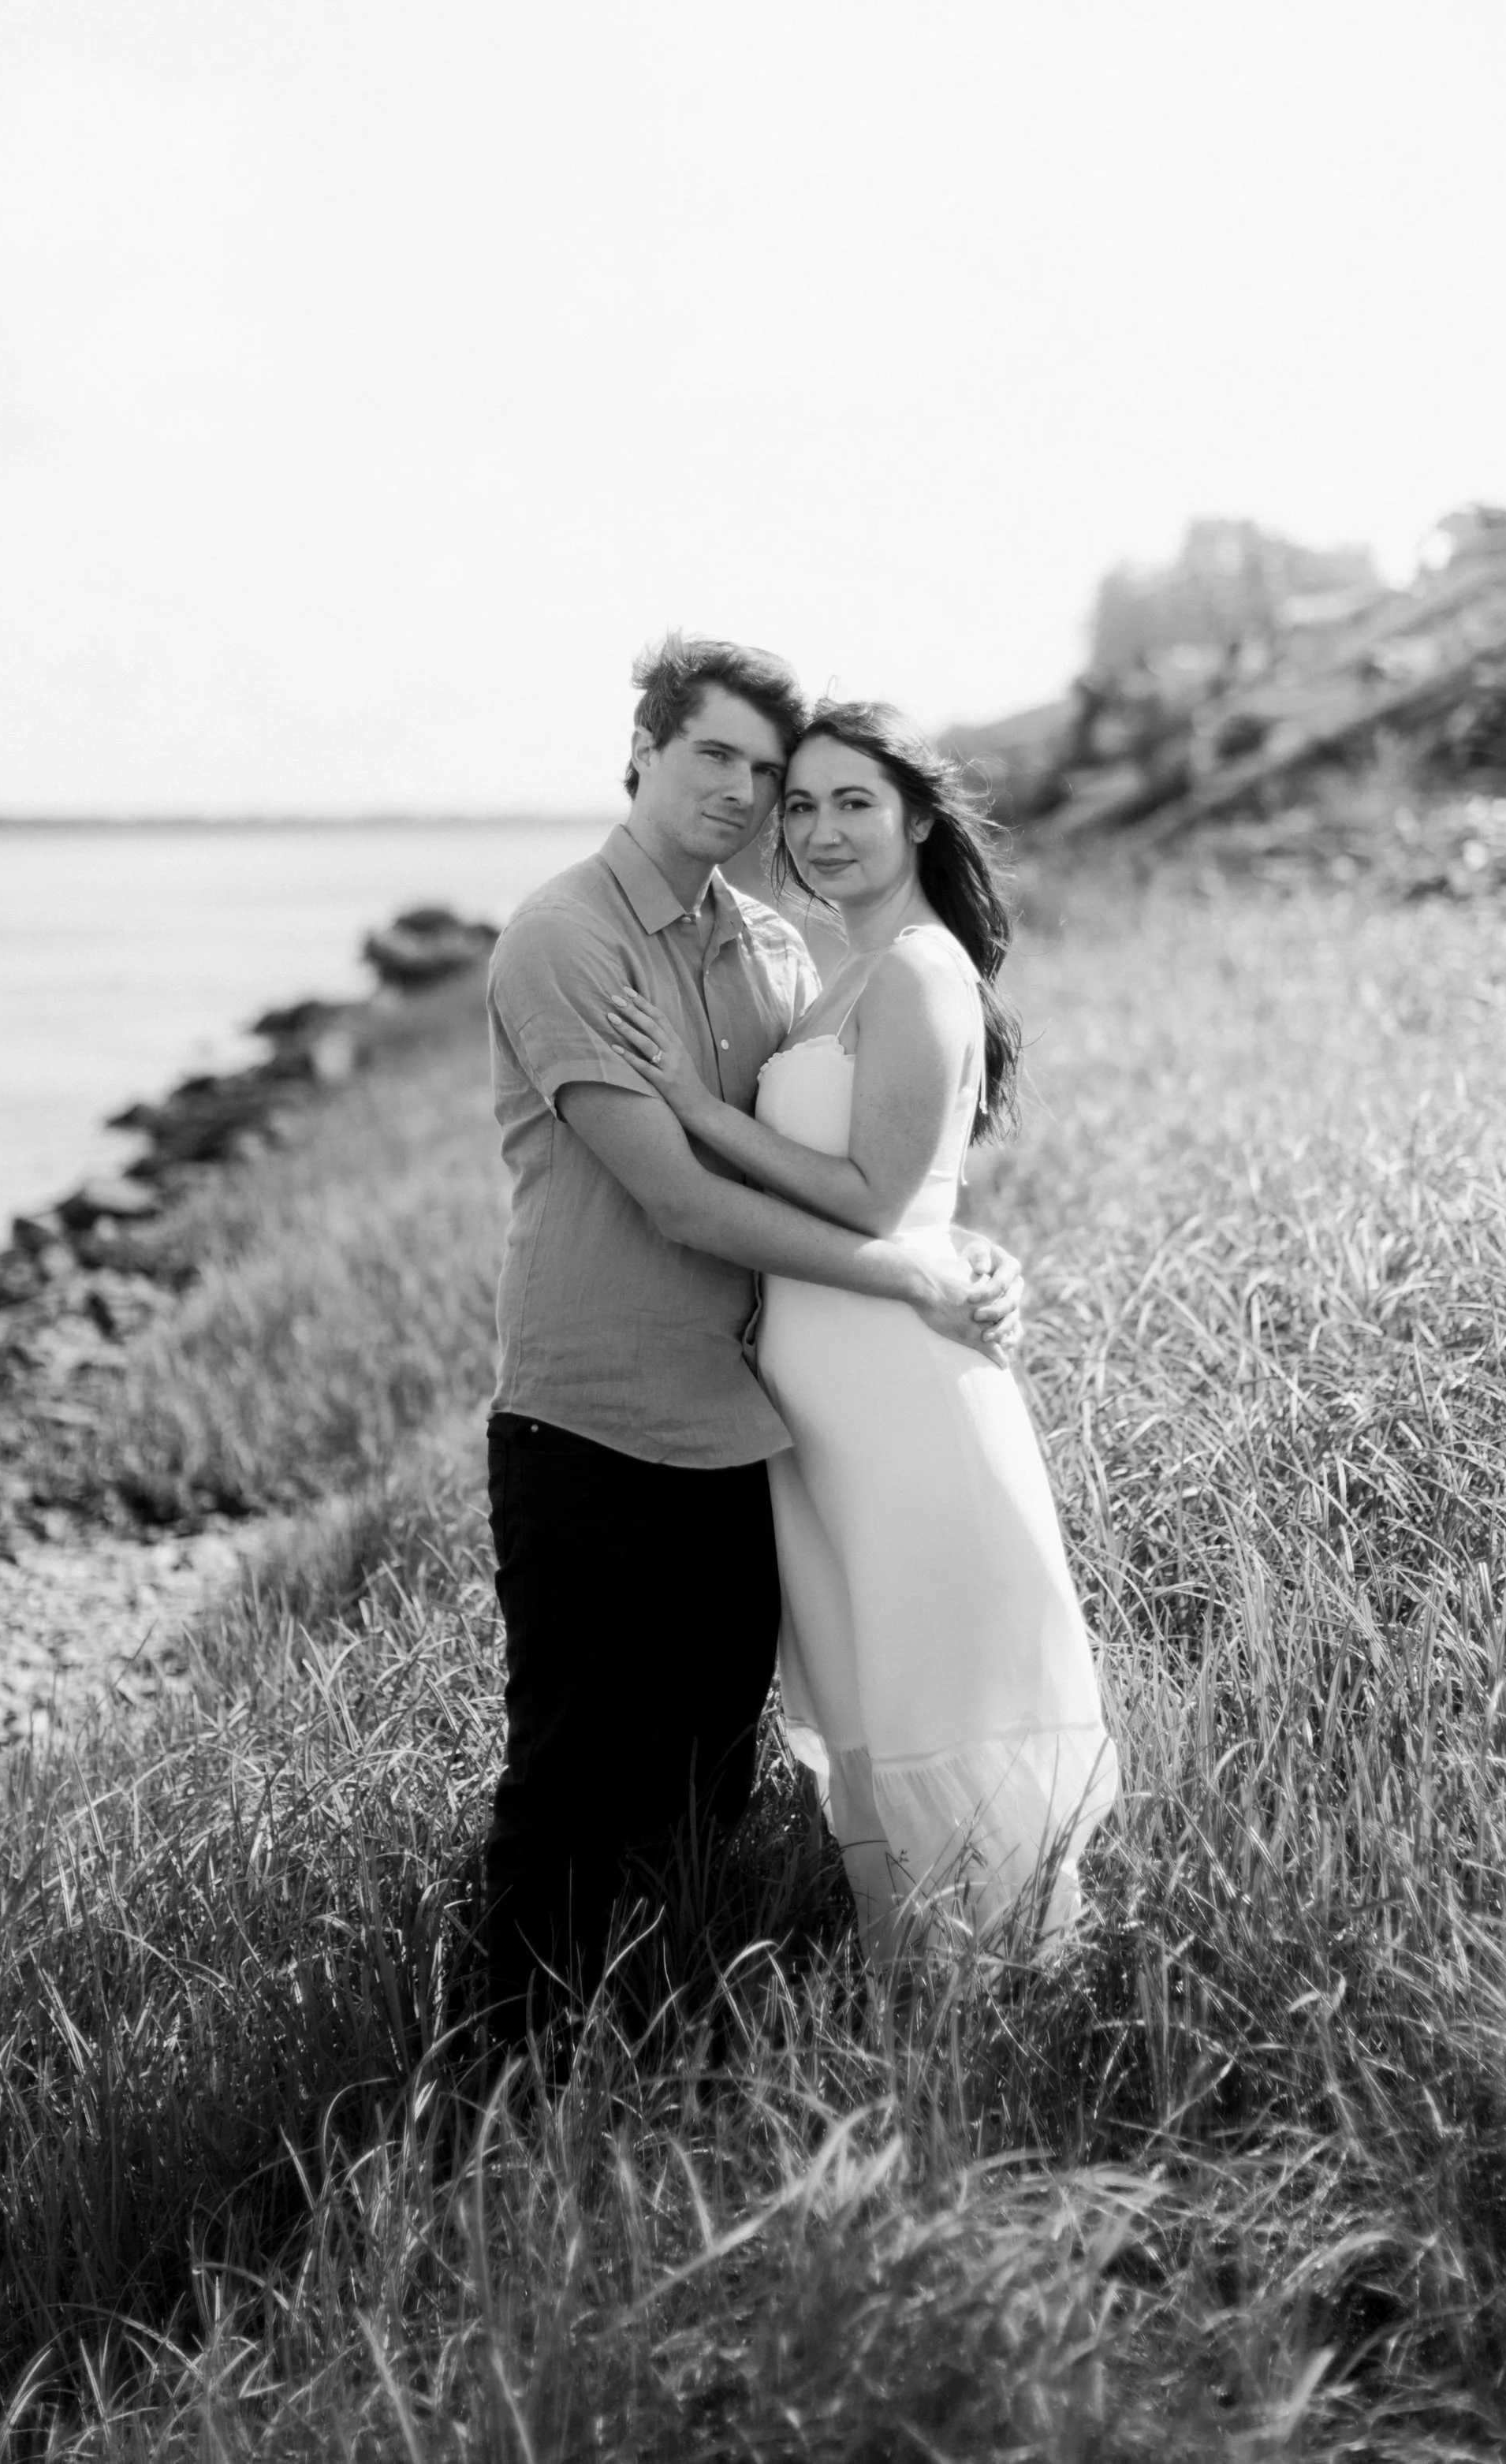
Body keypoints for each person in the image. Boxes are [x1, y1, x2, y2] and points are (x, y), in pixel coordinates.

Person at [482, 638, 1025, 2037]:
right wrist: (908, 1274)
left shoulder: (781, 950)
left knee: (713, 1779)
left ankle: (663, 2048)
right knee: (571, 1779)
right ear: (645, 753)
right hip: (592, 1417)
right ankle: (504, 2084)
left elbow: (860, 1157)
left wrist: (945, 1250)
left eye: (770, 774)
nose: (745, 793)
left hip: (755, 1426)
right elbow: (674, 1197)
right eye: (714, 755)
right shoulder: (566, 938)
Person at [606, 700, 1118, 1964]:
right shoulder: (840, 966)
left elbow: (875, 1197)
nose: (821, 830)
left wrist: (686, 1105)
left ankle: (998, 1991)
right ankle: (918, 1986)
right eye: (801, 805)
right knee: (866, 1687)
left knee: (935, 1671)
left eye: (854, 803)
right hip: (826, 1392)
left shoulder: (921, 965)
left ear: (919, 818)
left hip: (899, 1375)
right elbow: (917, 1192)